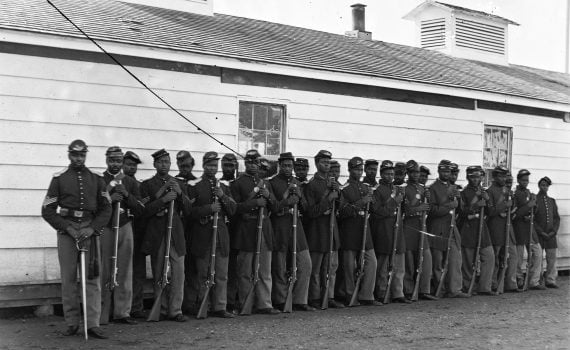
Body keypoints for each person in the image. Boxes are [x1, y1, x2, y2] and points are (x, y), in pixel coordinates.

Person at [41, 140, 111, 339]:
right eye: (74, 155)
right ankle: (72, 323)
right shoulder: (59, 178)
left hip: (89, 230)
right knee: (69, 278)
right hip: (67, 232)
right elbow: (47, 210)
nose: (78, 158)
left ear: (86, 155)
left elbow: (106, 208)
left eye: (82, 155)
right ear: (69, 155)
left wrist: (93, 228)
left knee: (92, 278)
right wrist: (67, 228)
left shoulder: (96, 178)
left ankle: (93, 324)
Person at [140, 149, 192, 322]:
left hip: (176, 233)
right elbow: (144, 210)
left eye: (167, 162)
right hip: (158, 232)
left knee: (179, 271)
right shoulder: (147, 185)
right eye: (161, 162)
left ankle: (175, 310)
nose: (164, 165)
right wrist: (163, 199)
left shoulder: (179, 183)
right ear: (155, 164)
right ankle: (160, 308)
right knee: (159, 270)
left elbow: (188, 210)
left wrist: (179, 194)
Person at [187, 152, 237, 318]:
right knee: (203, 273)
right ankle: (204, 305)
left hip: (221, 235)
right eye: (209, 165)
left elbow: (232, 210)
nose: (212, 168)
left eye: (215, 165)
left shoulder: (224, 186)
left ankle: (220, 307)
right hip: (203, 234)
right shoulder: (194, 185)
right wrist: (209, 209)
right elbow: (189, 211)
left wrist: (222, 196)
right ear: (203, 165)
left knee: (221, 274)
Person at [230, 149, 280, 314]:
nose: (253, 165)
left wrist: (268, 196)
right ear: (245, 163)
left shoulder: (266, 183)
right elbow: (235, 208)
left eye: (256, 162)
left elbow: (276, 207)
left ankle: (265, 304)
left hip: (264, 228)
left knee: (264, 269)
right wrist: (254, 203)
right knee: (245, 270)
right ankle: (246, 303)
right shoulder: (237, 183)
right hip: (247, 229)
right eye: (250, 162)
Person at [100, 147, 143, 325]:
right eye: (112, 160)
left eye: (118, 160)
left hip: (125, 226)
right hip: (106, 227)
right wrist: (111, 198)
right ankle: (103, 311)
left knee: (125, 271)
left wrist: (126, 194)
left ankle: (122, 312)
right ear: (106, 160)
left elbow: (140, 208)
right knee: (105, 270)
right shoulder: (100, 180)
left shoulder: (130, 182)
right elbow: (95, 206)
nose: (115, 164)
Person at [269, 152, 315, 311]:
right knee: (280, 265)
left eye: (290, 165)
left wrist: (300, 197)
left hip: (297, 225)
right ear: (279, 165)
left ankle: (299, 300)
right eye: (285, 165)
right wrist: (287, 198)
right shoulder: (272, 182)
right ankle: (281, 300)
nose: (288, 168)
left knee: (305, 263)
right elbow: (273, 207)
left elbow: (307, 209)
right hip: (280, 226)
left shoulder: (298, 183)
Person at [304, 150, 345, 309]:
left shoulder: (333, 182)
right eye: (323, 162)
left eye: (328, 162)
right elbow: (311, 212)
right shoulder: (311, 185)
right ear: (316, 163)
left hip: (332, 231)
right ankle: (314, 298)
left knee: (331, 267)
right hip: (318, 232)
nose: (327, 165)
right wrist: (328, 198)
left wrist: (338, 193)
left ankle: (330, 296)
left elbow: (341, 207)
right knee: (316, 269)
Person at [338, 157, 380, 306]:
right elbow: (342, 212)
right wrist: (361, 202)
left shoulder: (365, 187)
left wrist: (371, 200)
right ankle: (350, 295)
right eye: (356, 169)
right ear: (349, 170)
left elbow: (374, 209)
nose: (359, 172)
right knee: (350, 265)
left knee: (371, 262)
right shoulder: (345, 188)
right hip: (350, 229)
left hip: (364, 227)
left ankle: (367, 295)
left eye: (360, 169)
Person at [428, 160, 469, 298]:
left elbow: (460, 210)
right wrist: (449, 205)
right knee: (438, 260)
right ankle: (440, 289)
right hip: (438, 226)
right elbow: (432, 210)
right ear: (439, 171)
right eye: (444, 171)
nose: (447, 174)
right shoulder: (433, 188)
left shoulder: (454, 187)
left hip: (451, 225)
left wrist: (459, 200)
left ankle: (455, 289)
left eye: (449, 172)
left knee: (455, 258)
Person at [371, 160, 409, 303]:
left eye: (392, 174)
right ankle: (381, 292)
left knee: (399, 264)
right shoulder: (377, 190)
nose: (390, 176)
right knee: (383, 266)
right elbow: (378, 211)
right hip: (384, 230)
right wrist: (394, 201)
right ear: (381, 174)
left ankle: (398, 293)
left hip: (397, 230)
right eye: (387, 173)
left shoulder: (397, 189)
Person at [458, 166, 496, 296]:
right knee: (468, 260)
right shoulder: (464, 193)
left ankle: (485, 287)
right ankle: (468, 286)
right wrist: (475, 204)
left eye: (478, 176)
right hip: (469, 229)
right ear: (468, 177)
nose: (476, 179)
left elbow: (491, 212)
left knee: (489, 256)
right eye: (473, 177)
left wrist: (487, 199)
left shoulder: (484, 191)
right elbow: (462, 212)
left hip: (482, 228)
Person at [402, 160, 437, 301]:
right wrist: (418, 208)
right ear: (408, 174)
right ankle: (409, 290)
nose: (415, 175)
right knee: (410, 261)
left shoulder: (423, 189)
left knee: (426, 260)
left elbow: (430, 208)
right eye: (412, 172)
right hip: (409, 226)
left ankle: (424, 289)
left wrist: (428, 201)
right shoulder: (404, 189)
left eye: (417, 172)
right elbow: (404, 210)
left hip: (422, 225)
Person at [122, 151, 148, 319]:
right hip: (122, 229)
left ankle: (136, 307)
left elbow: (143, 206)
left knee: (138, 271)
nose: (131, 167)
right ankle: (120, 307)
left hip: (137, 231)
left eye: (134, 165)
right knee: (122, 269)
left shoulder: (140, 185)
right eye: (128, 164)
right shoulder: (116, 183)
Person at [511, 169, 545, 290]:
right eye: (523, 180)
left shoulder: (529, 193)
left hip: (529, 227)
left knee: (538, 252)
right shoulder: (515, 194)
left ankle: (534, 280)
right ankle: (519, 278)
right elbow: (514, 214)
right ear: (519, 180)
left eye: (527, 180)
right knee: (519, 257)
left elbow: (533, 210)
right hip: (519, 228)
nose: (525, 182)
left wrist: (533, 206)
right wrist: (528, 206)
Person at [220, 153, 240, 313]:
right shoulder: (217, 183)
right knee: (221, 268)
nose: (229, 168)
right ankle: (220, 302)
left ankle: (233, 300)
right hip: (221, 229)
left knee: (235, 269)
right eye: (226, 165)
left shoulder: (238, 183)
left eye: (231, 165)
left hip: (237, 230)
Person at [534, 176, 560, 288]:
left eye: (546, 185)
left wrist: (553, 231)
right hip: (540, 234)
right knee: (538, 258)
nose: (544, 187)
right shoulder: (534, 199)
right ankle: (538, 280)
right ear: (539, 186)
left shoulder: (551, 201)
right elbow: (533, 219)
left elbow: (556, 218)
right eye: (542, 185)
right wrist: (540, 232)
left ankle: (550, 279)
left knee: (552, 258)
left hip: (551, 235)